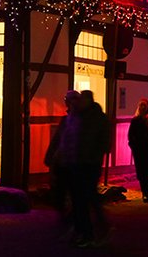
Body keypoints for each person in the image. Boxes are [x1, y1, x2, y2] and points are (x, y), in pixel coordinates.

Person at [73, 90, 111, 248]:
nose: (80, 102)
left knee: (86, 198)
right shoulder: (82, 117)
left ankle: (90, 233)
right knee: (85, 198)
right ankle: (91, 231)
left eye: (82, 99)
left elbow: (105, 143)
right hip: (82, 162)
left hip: (90, 164)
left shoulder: (97, 119)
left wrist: (93, 156)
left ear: (88, 100)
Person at [44, 90, 82, 238]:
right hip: (64, 161)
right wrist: (51, 156)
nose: (69, 104)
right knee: (61, 190)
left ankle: (72, 220)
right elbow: (58, 139)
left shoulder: (79, 120)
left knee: (70, 191)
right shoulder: (66, 120)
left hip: (73, 161)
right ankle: (67, 216)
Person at [127, 98, 148, 202]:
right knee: (141, 171)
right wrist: (133, 145)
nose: (142, 107)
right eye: (141, 105)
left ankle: (146, 191)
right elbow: (131, 135)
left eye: (144, 105)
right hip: (139, 149)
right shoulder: (135, 120)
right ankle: (144, 192)